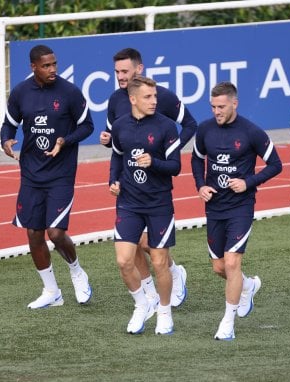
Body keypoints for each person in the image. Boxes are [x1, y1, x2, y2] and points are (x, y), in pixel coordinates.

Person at [0, 44, 94, 309]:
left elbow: (87, 125)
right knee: (33, 233)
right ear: (33, 67)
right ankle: (52, 291)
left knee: (55, 232)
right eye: (46, 66)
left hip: (61, 174)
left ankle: (76, 270)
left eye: (54, 64)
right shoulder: (20, 93)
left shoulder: (69, 92)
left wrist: (66, 140)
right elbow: (9, 123)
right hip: (31, 173)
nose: (53, 70)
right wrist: (6, 140)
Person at [100, 47, 195, 310]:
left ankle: (173, 273)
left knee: (151, 248)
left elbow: (190, 124)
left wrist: (170, 149)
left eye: (125, 71)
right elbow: (120, 144)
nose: (120, 76)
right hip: (129, 190)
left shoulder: (160, 97)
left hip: (156, 188)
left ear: (139, 69)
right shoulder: (115, 100)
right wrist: (108, 146)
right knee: (135, 244)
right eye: (117, 71)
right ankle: (149, 294)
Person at [191, 82, 282, 340]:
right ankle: (248, 286)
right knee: (219, 267)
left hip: (241, 207)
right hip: (214, 208)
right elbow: (196, 159)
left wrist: (248, 182)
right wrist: (201, 186)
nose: (216, 111)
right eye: (213, 107)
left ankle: (227, 323)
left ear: (234, 103)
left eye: (221, 107)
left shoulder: (251, 132)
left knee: (232, 262)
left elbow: (275, 164)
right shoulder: (204, 130)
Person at [109, 76, 181, 335]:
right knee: (123, 261)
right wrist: (113, 180)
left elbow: (176, 167)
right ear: (133, 99)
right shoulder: (120, 126)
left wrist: (154, 162)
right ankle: (142, 304)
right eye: (148, 97)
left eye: (155, 97)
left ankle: (164, 312)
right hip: (128, 203)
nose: (153, 101)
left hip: (159, 204)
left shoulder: (167, 126)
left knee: (160, 262)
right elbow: (117, 156)